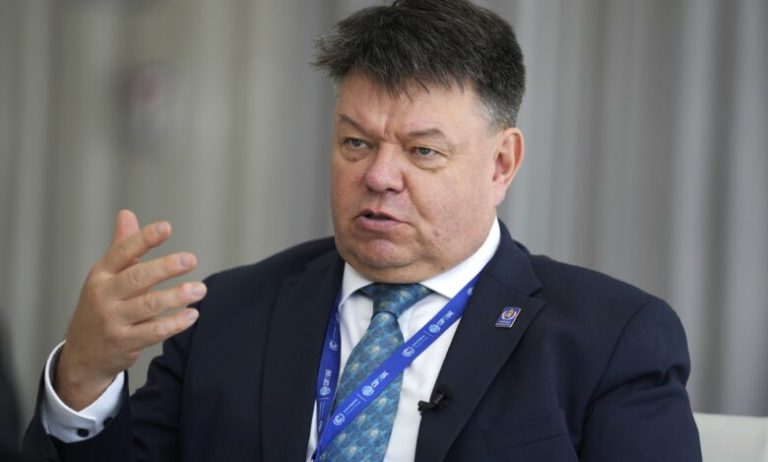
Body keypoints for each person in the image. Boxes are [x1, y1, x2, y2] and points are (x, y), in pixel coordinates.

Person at [23, 0, 701, 460]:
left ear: (501, 163)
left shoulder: (609, 340)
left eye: (422, 151)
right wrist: (84, 377)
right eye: (355, 143)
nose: (378, 176)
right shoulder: (226, 316)